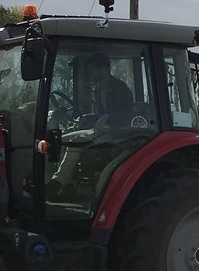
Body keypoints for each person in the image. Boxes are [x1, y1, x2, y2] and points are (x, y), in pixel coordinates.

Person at [50, 53, 135, 196]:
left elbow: (128, 114)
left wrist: (108, 117)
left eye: (92, 70)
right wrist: (86, 118)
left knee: (75, 142)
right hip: (101, 130)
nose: (90, 74)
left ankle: (58, 182)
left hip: (117, 133)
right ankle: (67, 185)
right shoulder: (98, 89)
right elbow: (101, 114)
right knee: (62, 138)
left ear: (103, 69)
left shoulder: (120, 88)